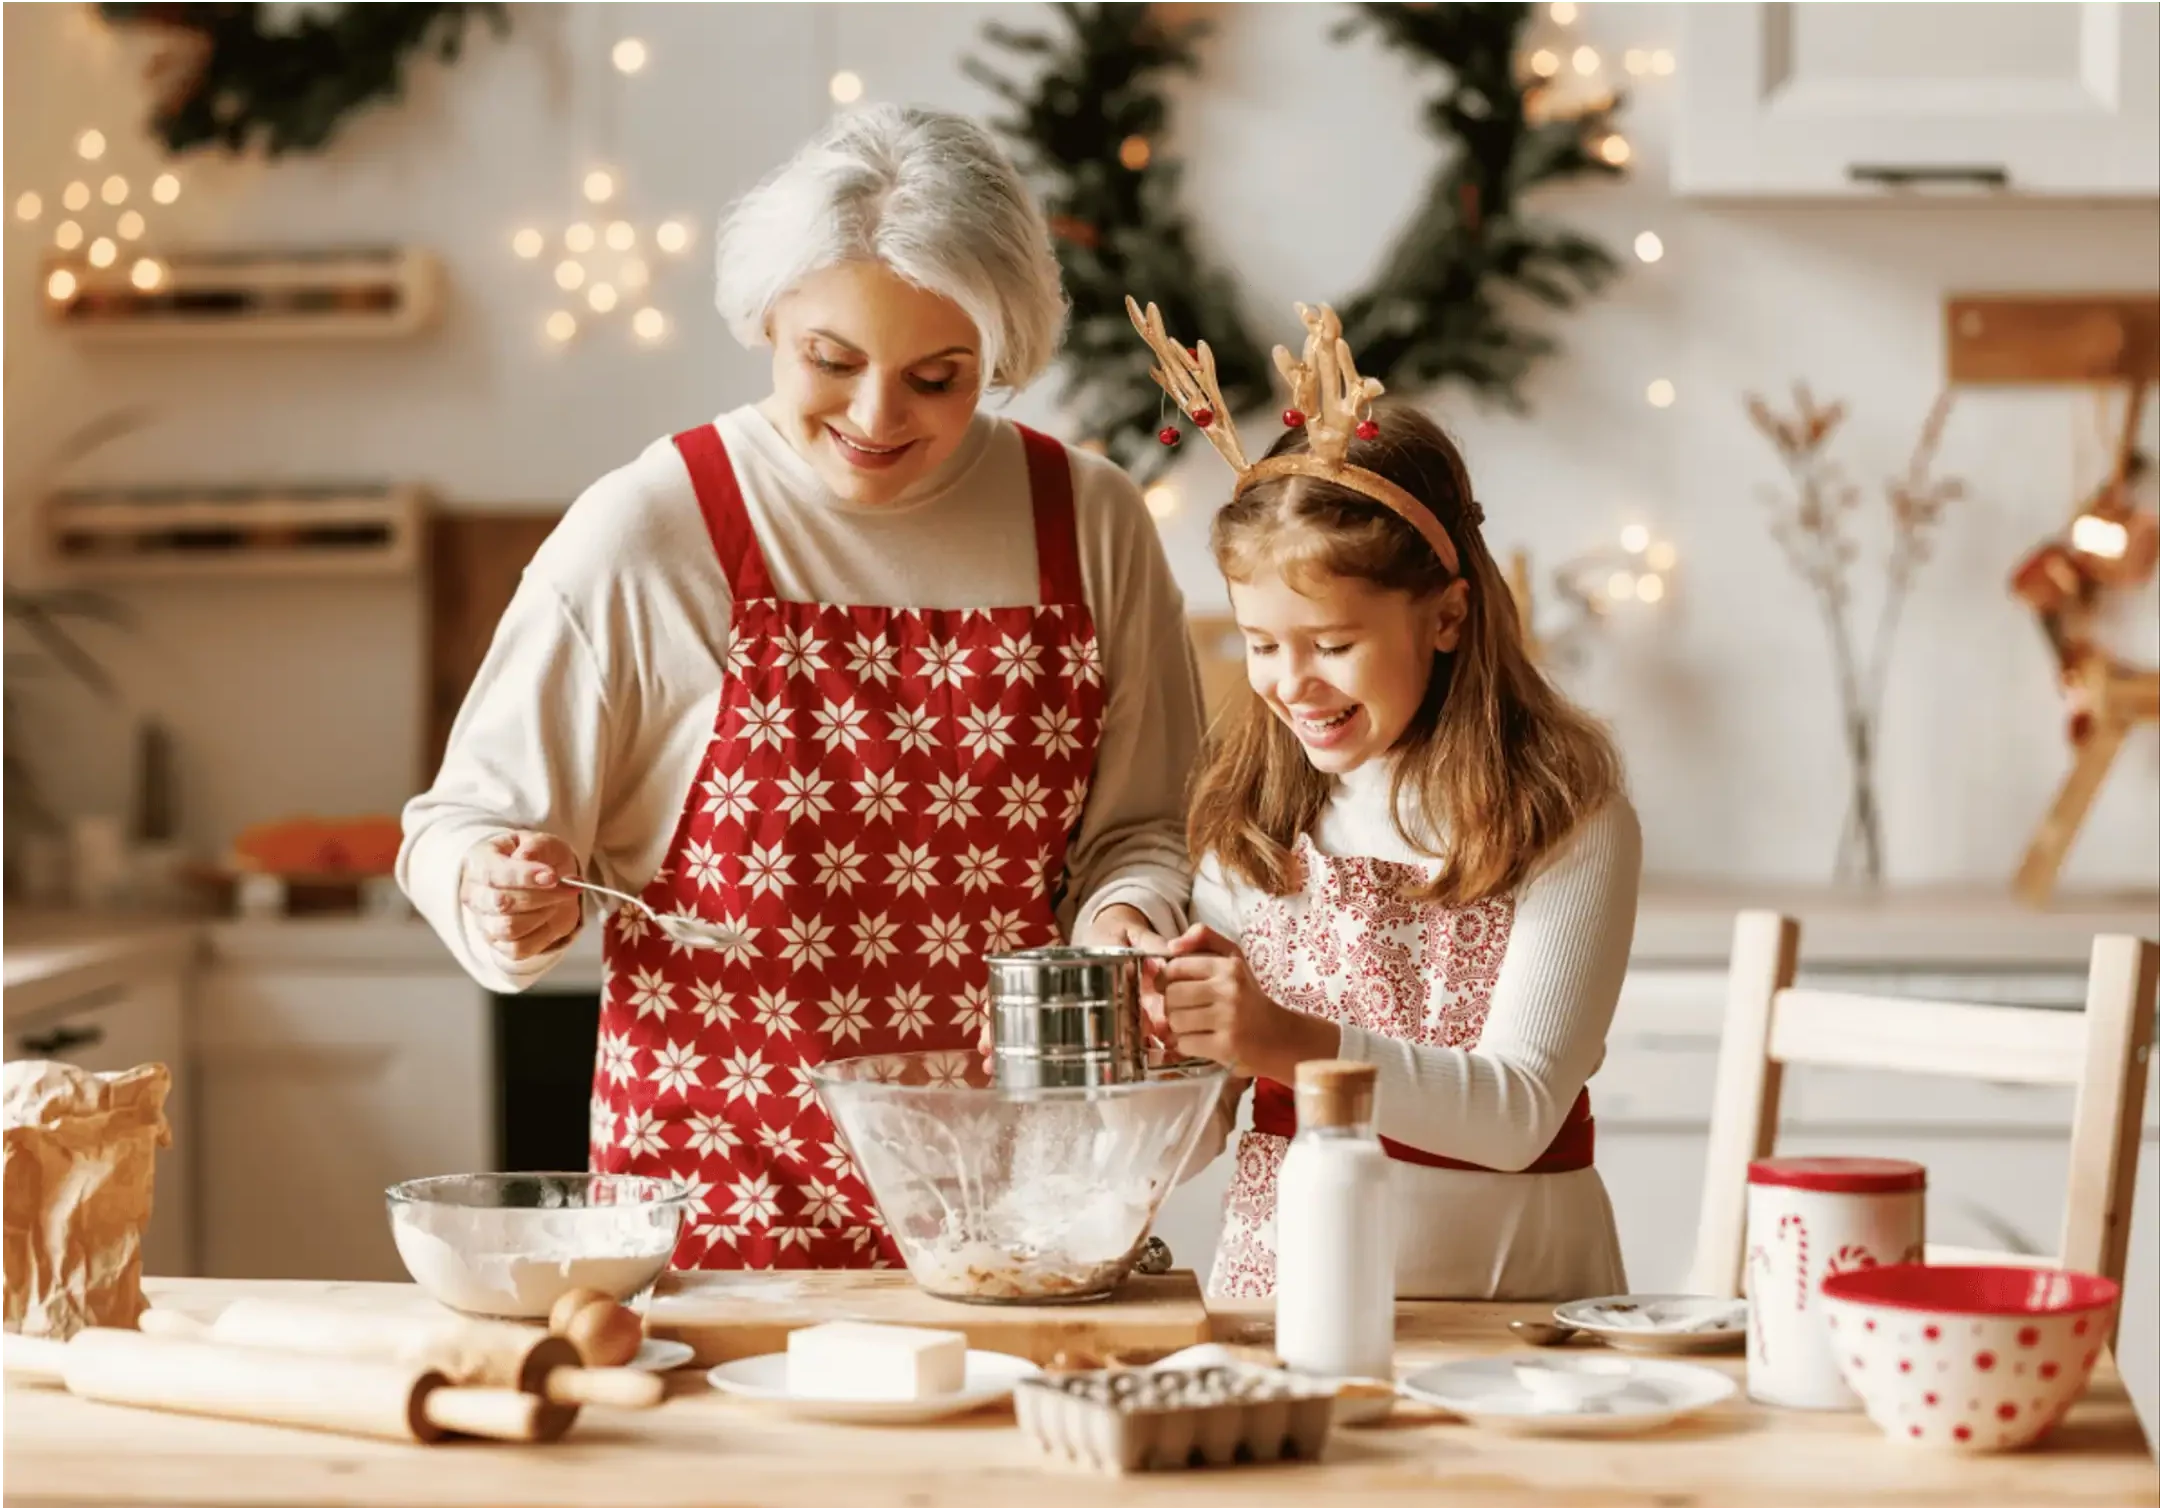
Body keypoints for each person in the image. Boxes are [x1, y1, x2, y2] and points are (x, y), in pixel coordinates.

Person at [399, 106, 1205, 1270]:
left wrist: (1129, 921)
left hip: (1028, 1205)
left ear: (1004, 355)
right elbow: (456, 825)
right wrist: (492, 889)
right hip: (717, 1203)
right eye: (832, 362)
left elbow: (1146, 828)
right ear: (769, 315)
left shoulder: (1087, 520)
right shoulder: (654, 526)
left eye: (940, 378)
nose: (878, 419)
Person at [1137, 302, 1639, 1301]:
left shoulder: (1563, 814)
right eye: (1261, 643)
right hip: (1285, 1296)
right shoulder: (1252, 824)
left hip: (1519, 1308)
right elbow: (1188, 1147)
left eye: (1330, 644)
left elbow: (1518, 1112)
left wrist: (1279, 1036)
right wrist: (1161, 1046)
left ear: (1446, 616)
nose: (1290, 682)